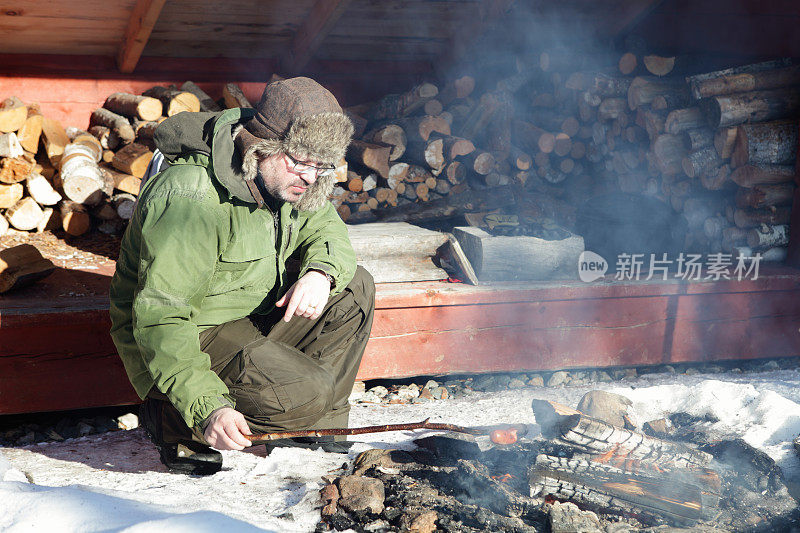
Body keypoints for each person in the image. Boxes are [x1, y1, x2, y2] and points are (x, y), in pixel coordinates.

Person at [109, 77, 375, 475]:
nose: (309, 175)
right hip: (193, 330)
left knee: (354, 287)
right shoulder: (192, 196)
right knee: (308, 393)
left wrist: (320, 272)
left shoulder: (290, 179)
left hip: (248, 312)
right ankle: (177, 421)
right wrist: (207, 407)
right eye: (299, 161)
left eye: (321, 166)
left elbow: (327, 230)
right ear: (260, 146)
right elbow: (162, 318)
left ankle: (312, 426)